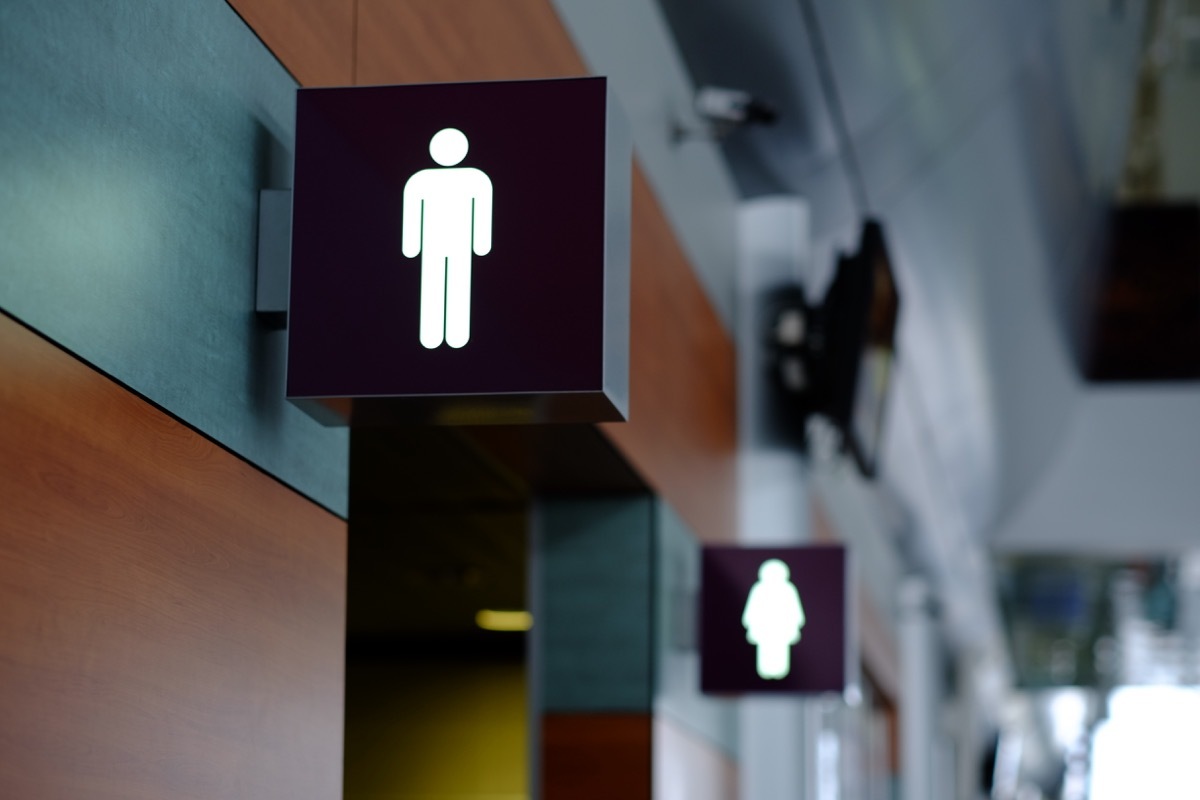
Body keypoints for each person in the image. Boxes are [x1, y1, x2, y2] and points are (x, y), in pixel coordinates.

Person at [402, 127, 493, 349]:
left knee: (458, 284)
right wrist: (411, 245)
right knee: (433, 284)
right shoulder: (420, 180)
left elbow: (481, 212)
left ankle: (455, 336)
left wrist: (481, 243)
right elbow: (413, 213)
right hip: (434, 244)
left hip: (459, 243)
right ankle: (432, 336)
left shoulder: (476, 179)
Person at [742, 558, 806, 679]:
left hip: (782, 630)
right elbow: (752, 608)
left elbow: (794, 609)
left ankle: (780, 673)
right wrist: (751, 624)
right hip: (764, 630)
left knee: (780, 654)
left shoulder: (788, 589)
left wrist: (795, 624)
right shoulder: (759, 589)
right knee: (766, 654)